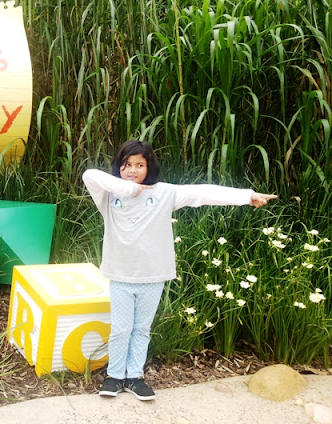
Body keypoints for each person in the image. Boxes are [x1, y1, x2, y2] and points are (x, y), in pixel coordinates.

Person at [82, 140, 276, 401]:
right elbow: (89, 174)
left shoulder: (164, 193)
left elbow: (202, 193)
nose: (132, 170)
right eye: (126, 165)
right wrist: (130, 189)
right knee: (120, 329)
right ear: (119, 166)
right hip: (120, 275)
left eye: (139, 165)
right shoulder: (108, 195)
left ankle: (135, 377)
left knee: (141, 329)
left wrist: (246, 196)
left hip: (153, 275)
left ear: (149, 167)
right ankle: (115, 377)